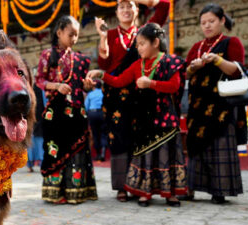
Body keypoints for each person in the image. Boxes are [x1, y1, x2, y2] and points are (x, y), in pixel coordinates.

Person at [87, 23, 188, 207]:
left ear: (155, 42)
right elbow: (118, 81)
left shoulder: (171, 62)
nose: (138, 48)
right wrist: (102, 74)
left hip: (166, 118)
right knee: (146, 156)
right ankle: (145, 192)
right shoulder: (137, 65)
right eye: (138, 44)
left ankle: (170, 193)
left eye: (142, 44)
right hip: (144, 120)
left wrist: (151, 84)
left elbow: (174, 86)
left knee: (168, 155)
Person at [95, 0, 170, 202]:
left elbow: (163, 7)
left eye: (131, 6)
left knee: (141, 137)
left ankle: (141, 185)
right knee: (118, 137)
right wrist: (102, 38)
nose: (126, 10)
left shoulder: (145, 31)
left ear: (138, 9)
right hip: (116, 93)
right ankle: (121, 186)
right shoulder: (110, 34)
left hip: (141, 92)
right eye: (122, 7)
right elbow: (104, 63)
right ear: (116, 12)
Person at [184, 3, 246, 204]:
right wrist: (194, 67)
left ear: (221, 21)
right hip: (198, 106)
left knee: (219, 144)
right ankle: (191, 187)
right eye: (203, 23)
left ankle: (219, 190)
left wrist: (217, 61)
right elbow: (185, 72)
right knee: (195, 146)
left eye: (211, 21)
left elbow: (237, 71)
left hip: (222, 106)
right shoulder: (197, 47)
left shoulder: (231, 42)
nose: (207, 26)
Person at [36, 15, 98, 204]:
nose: (74, 39)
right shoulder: (47, 56)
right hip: (55, 115)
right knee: (56, 150)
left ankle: (76, 191)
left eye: (77, 35)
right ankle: (55, 192)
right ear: (59, 32)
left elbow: (83, 87)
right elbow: (39, 80)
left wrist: (87, 86)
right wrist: (56, 86)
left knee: (77, 151)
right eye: (71, 34)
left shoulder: (80, 59)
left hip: (76, 114)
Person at [85, 81, 107, 161]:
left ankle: (97, 154)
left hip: (92, 114)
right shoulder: (103, 93)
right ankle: (103, 153)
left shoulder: (90, 94)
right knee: (104, 133)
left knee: (95, 134)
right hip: (102, 113)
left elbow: (86, 106)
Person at [26, 84, 46, 172]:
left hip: (30, 116)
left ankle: (30, 164)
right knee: (39, 140)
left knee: (32, 139)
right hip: (38, 116)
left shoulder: (25, 87)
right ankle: (40, 162)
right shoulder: (41, 87)